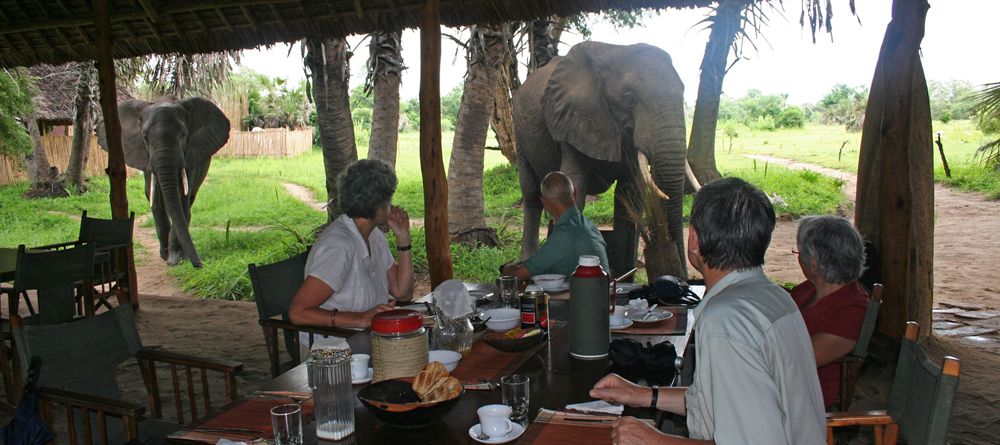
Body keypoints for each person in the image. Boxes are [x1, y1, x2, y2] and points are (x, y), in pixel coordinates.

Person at [589, 177, 825, 445]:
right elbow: (716, 403)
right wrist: (643, 395)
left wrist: (654, 440)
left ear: (694, 240)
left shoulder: (725, 322)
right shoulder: (773, 296)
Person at [289, 159, 414, 351]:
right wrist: (361, 319)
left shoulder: (373, 236)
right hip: (331, 351)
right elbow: (298, 313)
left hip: (363, 340)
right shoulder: (340, 247)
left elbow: (402, 292)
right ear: (379, 205)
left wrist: (403, 239)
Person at [791, 215, 870, 409]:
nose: (799, 258)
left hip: (804, 398)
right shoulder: (807, 290)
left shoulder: (854, 308)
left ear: (814, 264)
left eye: (799, 252)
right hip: (783, 381)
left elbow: (803, 359)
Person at [501, 171, 609, 280]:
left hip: (583, 296)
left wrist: (505, 269)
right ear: (575, 194)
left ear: (544, 202)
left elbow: (518, 275)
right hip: (601, 293)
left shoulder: (563, 237)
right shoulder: (590, 227)